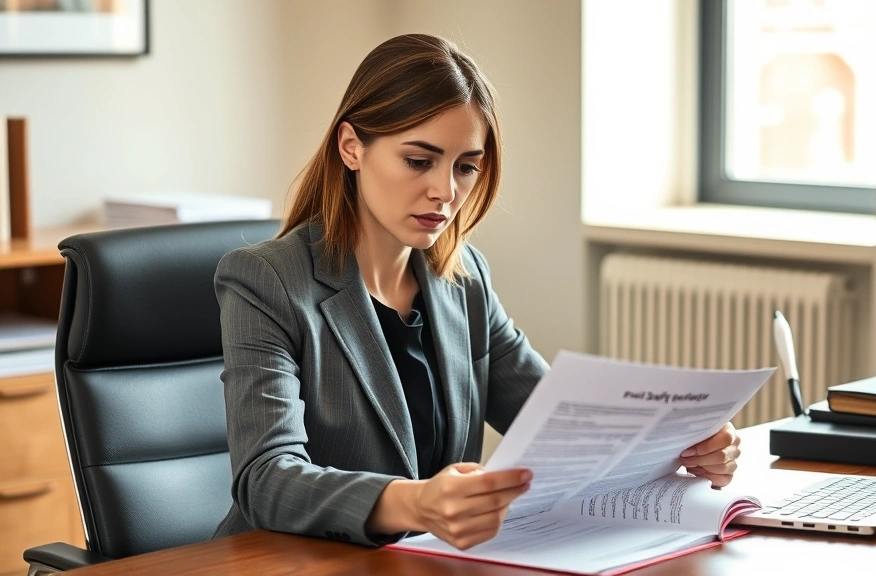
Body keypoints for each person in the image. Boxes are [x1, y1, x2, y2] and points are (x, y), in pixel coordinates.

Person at [212, 33, 741, 551]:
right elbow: (266, 478)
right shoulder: (266, 281)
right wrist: (415, 503)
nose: (446, 192)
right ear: (352, 147)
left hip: (421, 562)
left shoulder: (464, 281)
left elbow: (564, 425)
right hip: (290, 562)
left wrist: (684, 444)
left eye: (466, 167)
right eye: (419, 161)